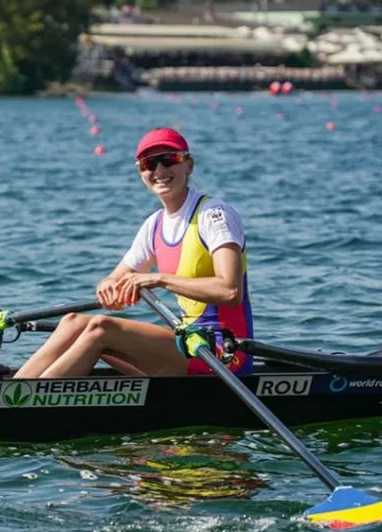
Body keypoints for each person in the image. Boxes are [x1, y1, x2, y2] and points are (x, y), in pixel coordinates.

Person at [15, 128, 252, 378]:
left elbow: (230, 291)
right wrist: (107, 286)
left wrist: (157, 278)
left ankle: (25, 406)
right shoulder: (154, 225)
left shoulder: (214, 215)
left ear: (189, 165)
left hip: (226, 354)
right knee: (73, 322)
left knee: (101, 328)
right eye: (149, 164)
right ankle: (12, 391)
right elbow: (115, 278)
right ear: (141, 172)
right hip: (190, 343)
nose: (159, 171)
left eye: (169, 159)